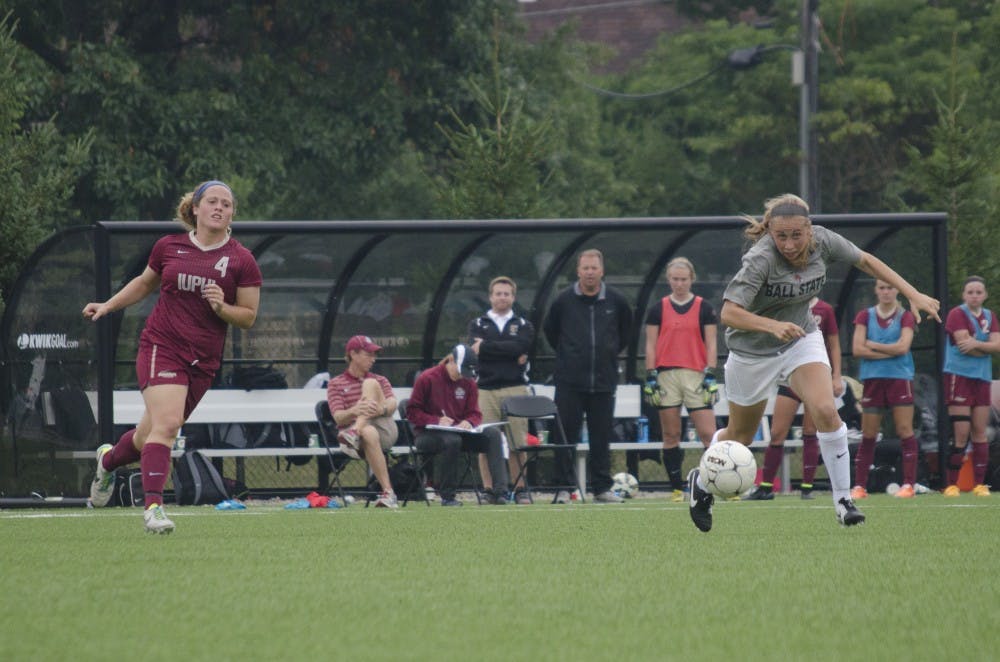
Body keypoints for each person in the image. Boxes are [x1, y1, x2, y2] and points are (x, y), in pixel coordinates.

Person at [687, 193, 940, 533]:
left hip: (800, 338)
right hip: (752, 350)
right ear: (770, 233)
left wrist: (912, 292)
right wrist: (772, 325)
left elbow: (865, 260)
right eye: (781, 236)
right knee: (740, 435)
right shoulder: (760, 258)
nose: (789, 244)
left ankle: (843, 500)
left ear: (810, 229)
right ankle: (702, 482)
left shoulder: (825, 241)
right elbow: (729, 313)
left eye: (796, 235)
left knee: (824, 409)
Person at [83, 180, 262, 533]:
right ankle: (153, 509)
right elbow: (144, 283)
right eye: (212, 202)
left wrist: (221, 307)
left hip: (203, 362)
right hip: (161, 347)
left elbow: (248, 316)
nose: (219, 208)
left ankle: (107, 461)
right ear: (195, 208)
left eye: (226, 204)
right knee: (167, 427)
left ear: (232, 214)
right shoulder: (169, 246)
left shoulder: (242, 260)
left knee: (146, 436)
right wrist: (108, 304)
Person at [544, 248, 632, 503]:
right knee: (564, 437)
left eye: (594, 268)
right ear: (578, 271)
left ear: (602, 271)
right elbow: (551, 333)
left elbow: (624, 333)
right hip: (569, 383)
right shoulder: (562, 300)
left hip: (604, 382)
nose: (590, 272)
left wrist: (608, 353)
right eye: (585, 268)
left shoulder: (617, 301)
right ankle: (563, 488)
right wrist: (571, 356)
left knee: (601, 437)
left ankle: (601, 488)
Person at [743, 297, 841, 501]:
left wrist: (836, 376)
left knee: (809, 431)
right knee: (777, 432)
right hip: (790, 377)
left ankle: (807, 487)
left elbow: (834, 344)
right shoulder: (787, 304)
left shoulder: (825, 309)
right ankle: (766, 487)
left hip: (815, 378)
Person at [643, 257, 719, 503]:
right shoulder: (658, 309)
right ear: (669, 280)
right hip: (666, 375)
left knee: (709, 434)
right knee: (671, 434)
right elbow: (651, 344)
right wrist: (651, 375)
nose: (679, 284)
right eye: (675, 279)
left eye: (683, 279)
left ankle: (716, 483)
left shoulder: (704, 307)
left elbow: (711, 343)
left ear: (692, 279)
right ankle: (677, 487)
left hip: (696, 374)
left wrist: (710, 373)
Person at [406, 344, 509, 506]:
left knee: (494, 434)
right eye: (460, 370)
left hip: (459, 433)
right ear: (451, 361)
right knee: (452, 440)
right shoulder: (427, 378)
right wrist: (435, 420)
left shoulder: (469, 382)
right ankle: (448, 496)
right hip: (427, 435)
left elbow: (475, 413)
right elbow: (412, 412)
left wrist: (469, 422)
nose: (462, 376)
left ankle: (500, 492)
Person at [848, 280, 920, 499]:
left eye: (890, 288)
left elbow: (903, 347)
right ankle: (860, 486)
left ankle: (908, 485)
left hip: (899, 377)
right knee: (868, 434)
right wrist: (889, 351)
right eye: (882, 288)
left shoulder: (905, 316)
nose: (886, 291)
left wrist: (874, 345)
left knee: (904, 431)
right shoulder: (865, 316)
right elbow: (857, 348)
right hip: (873, 379)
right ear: (876, 290)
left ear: (897, 290)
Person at [468, 276, 535, 505]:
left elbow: (521, 346)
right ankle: (490, 490)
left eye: (506, 294)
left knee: (517, 442)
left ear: (513, 297)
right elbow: (475, 351)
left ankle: (520, 490)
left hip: (515, 388)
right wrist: (507, 351)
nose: (502, 297)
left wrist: (486, 347)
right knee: (486, 442)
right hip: (485, 390)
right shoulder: (478, 323)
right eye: (498, 293)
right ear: (491, 296)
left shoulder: (524, 325)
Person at [326, 335, 399, 508]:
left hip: (384, 429)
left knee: (370, 383)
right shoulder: (336, 384)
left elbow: (392, 403)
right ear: (353, 354)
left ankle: (355, 431)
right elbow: (338, 417)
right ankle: (388, 493)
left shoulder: (380, 380)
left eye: (374, 355)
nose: (373, 359)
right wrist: (354, 410)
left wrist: (380, 410)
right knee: (367, 432)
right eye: (369, 354)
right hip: (353, 441)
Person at [941, 276, 999, 497]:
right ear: (964, 295)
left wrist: (978, 343)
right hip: (960, 376)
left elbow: (997, 344)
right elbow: (966, 347)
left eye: (978, 292)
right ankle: (951, 484)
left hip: (982, 378)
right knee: (961, 433)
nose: (974, 295)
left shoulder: (989, 316)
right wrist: (985, 346)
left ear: (985, 295)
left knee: (980, 432)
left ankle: (979, 484)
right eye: (970, 292)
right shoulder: (957, 314)